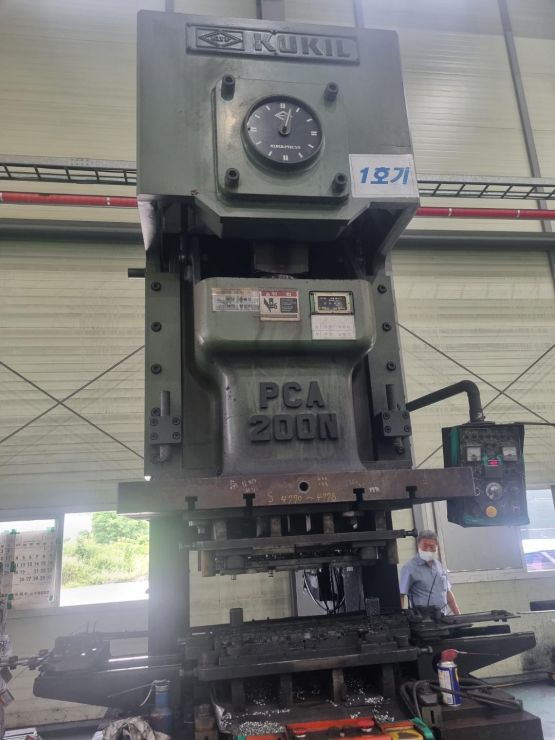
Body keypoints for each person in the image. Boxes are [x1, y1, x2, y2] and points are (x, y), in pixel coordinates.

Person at [399, 530, 460, 615]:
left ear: (437, 547)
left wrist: (458, 615)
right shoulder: (409, 568)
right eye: (425, 546)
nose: (428, 549)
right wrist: (401, 616)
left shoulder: (439, 566)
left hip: (443, 617)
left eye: (432, 546)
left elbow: (447, 592)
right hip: (422, 620)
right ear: (418, 545)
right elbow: (401, 595)